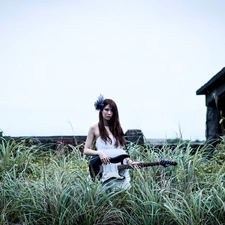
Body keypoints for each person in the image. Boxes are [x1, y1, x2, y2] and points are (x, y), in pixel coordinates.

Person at [83, 94, 136, 190]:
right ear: (101, 110)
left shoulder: (117, 128)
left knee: (120, 194)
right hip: (103, 166)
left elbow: (121, 150)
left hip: (118, 166)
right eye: (107, 109)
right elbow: (86, 150)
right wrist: (99, 153)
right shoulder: (94, 127)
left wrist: (129, 161)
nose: (109, 113)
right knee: (101, 193)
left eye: (112, 111)